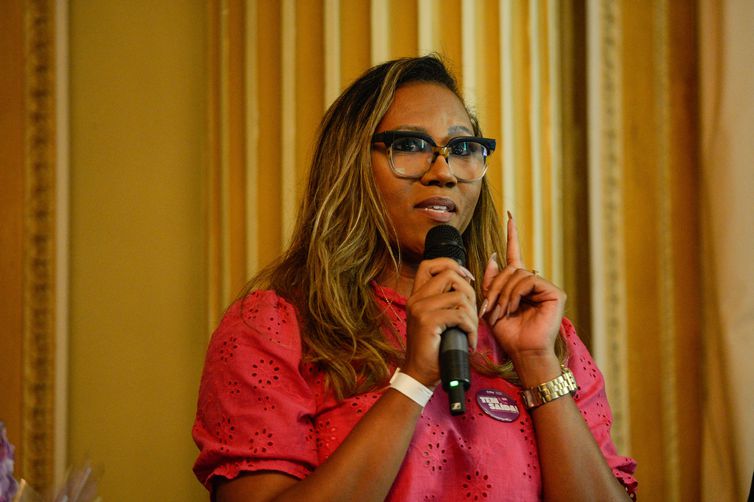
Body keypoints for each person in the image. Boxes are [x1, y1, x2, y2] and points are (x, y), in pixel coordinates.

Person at [192, 54, 637, 501]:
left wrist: (537, 361)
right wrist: (413, 380)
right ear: (351, 165)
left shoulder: (537, 332)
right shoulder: (274, 326)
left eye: (462, 149)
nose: (442, 172)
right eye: (409, 145)